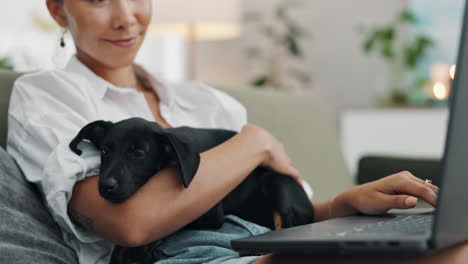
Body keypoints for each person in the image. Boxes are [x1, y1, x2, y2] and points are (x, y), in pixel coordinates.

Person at [6, 0, 461, 263]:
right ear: (57, 8)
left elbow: (269, 211)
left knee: (454, 247)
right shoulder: (48, 96)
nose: (127, 17)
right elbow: (132, 223)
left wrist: (340, 207)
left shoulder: (208, 102)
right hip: (180, 257)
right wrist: (254, 142)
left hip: (259, 242)